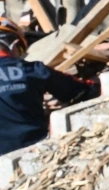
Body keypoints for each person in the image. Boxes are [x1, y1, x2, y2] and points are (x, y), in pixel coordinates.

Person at [0, 17, 100, 155]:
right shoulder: (33, 70)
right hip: (34, 150)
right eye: (21, 49)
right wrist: (97, 81)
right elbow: (80, 91)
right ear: (14, 44)